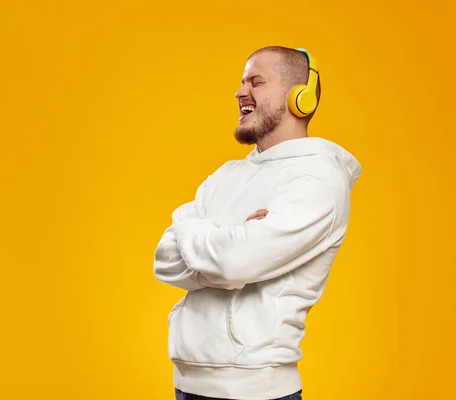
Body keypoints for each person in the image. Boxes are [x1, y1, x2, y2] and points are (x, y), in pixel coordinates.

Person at [153, 45, 362, 400]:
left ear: (301, 98)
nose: (240, 92)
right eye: (241, 82)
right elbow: (164, 260)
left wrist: (201, 236)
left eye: (256, 81)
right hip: (186, 385)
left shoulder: (318, 177)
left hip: (256, 393)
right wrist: (229, 240)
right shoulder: (226, 174)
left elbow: (234, 263)